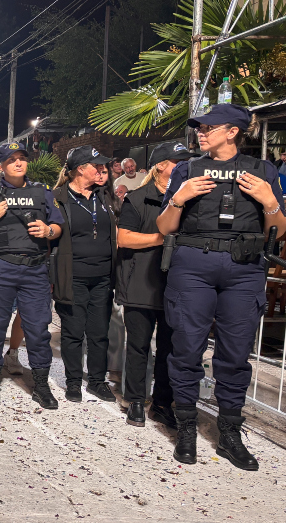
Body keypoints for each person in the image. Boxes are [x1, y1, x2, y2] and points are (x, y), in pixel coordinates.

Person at [157, 104, 286, 470]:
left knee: (235, 353)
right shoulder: (186, 169)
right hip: (193, 265)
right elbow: (165, 228)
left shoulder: (264, 170)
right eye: (199, 127)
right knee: (186, 348)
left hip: (245, 269)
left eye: (209, 126)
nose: (200, 131)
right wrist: (180, 197)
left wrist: (270, 201)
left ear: (233, 131)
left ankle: (229, 432)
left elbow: (278, 232)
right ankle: (185, 428)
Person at [0, 142, 63, 409]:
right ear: (1, 166)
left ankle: (41, 384)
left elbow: (58, 227)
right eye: (12, 160)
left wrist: (48, 230)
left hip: (34, 268)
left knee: (37, 328)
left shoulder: (42, 192)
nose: (19, 163)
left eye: (22, 158)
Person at [117, 142, 192, 429]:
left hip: (177, 283)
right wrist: (161, 240)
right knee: (138, 346)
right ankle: (136, 400)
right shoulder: (137, 199)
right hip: (141, 282)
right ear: (161, 165)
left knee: (170, 348)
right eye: (178, 162)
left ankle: (161, 403)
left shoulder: (190, 200)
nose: (184, 167)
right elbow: (124, 238)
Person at [51, 145, 118, 403]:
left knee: (99, 331)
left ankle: (98, 381)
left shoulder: (106, 196)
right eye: (96, 166)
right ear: (81, 169)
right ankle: (73, 381)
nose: (102, 169)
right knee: (73, 331)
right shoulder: (58, 197)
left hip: (102, 276)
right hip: (72, 275)